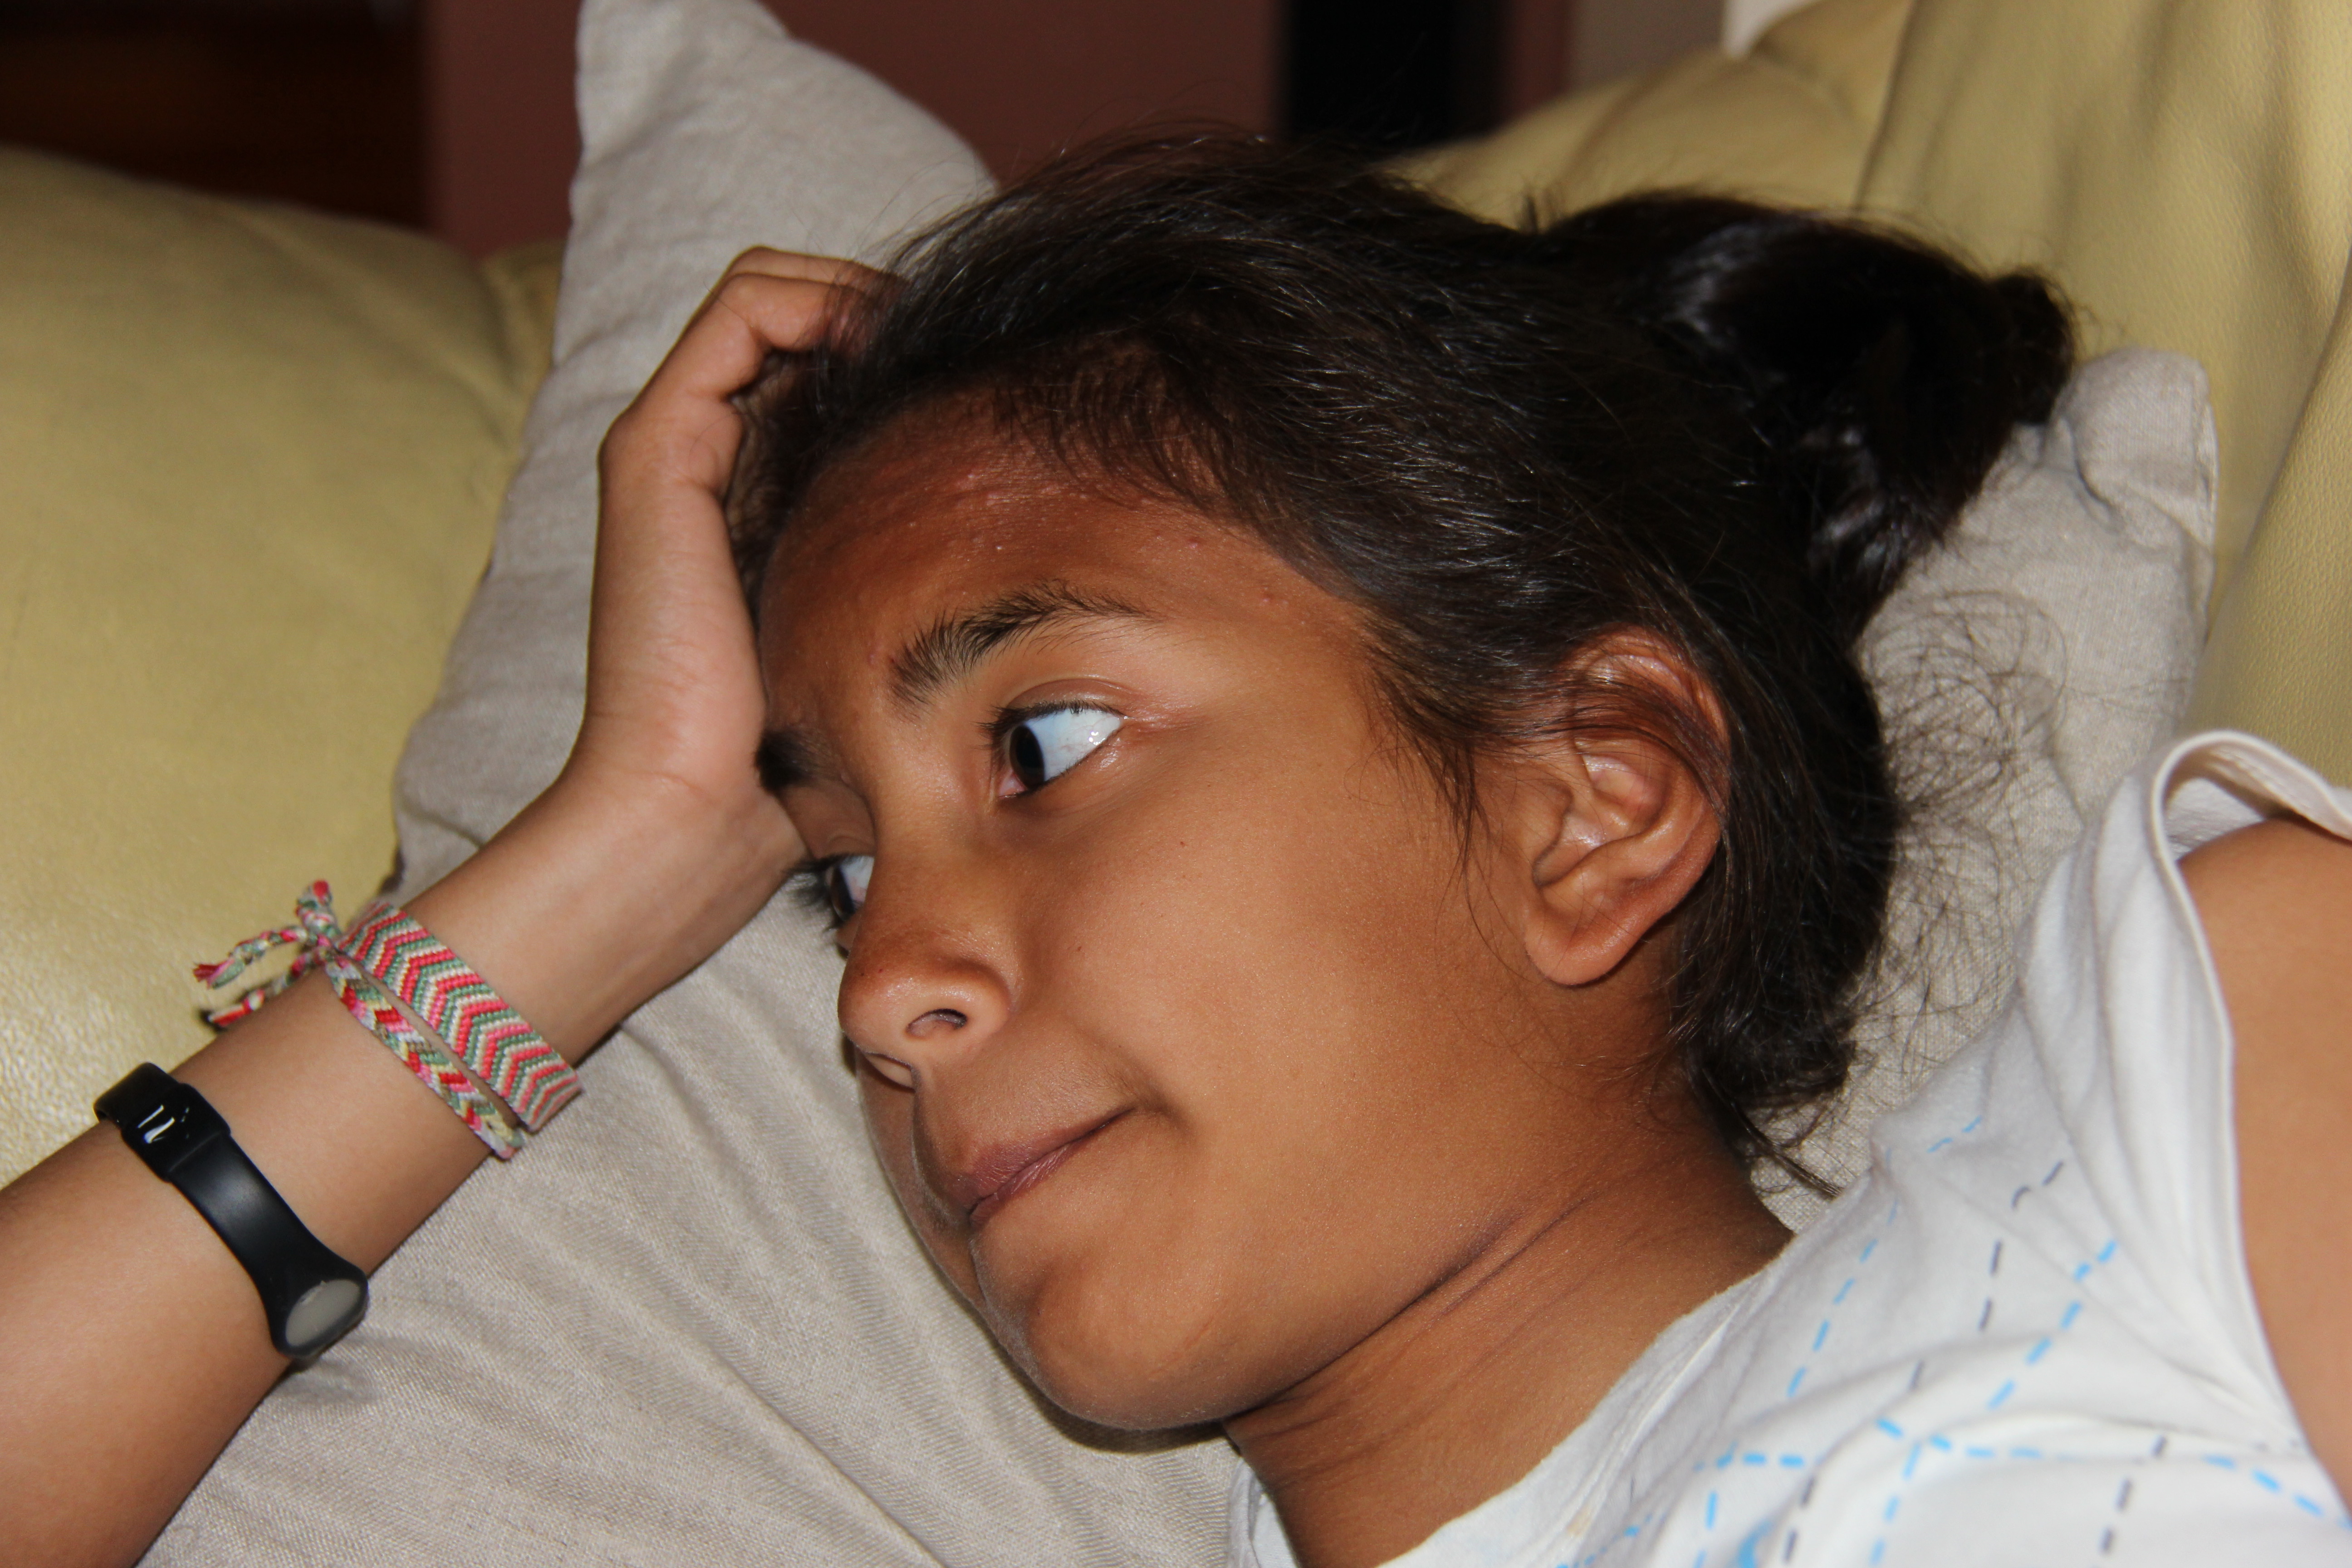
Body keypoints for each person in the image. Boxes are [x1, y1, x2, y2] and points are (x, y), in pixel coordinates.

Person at [3, 137, 2349, 1568]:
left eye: (1042, 744)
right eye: (838, 877)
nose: (881, 992)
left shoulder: (2185, 1109)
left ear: (1597, 798)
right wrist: (618, 858)